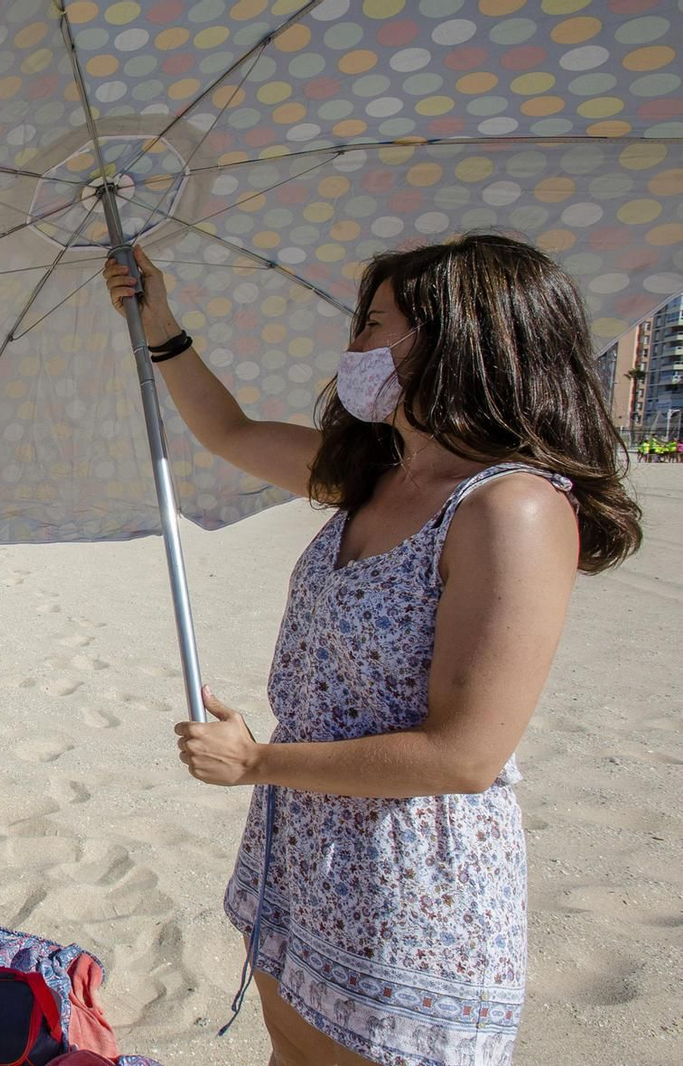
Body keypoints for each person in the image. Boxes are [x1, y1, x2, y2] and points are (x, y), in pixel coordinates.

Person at [104, 233, 641, 1066]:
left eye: (374, 325)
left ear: (457, 338)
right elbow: (230, 431)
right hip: (307, 854)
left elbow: (463, 756)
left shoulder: (513, 509)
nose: (353, 348)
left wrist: (255, 764)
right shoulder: (378, 473)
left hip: (410, 890)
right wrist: (160, 323)